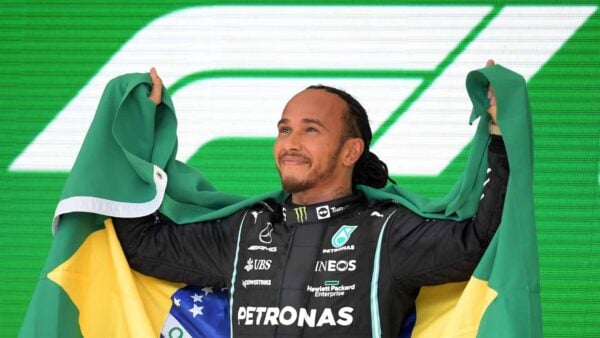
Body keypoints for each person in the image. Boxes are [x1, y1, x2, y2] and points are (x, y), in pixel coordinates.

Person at [114, 60, 508, 337]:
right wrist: (135, 131)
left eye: (311, 130)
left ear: (351, 151)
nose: (291, 143)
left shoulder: (386, 231)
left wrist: (499, 136)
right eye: (284, 130)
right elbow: (143, 246)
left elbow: (479, 244)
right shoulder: (245, 230)